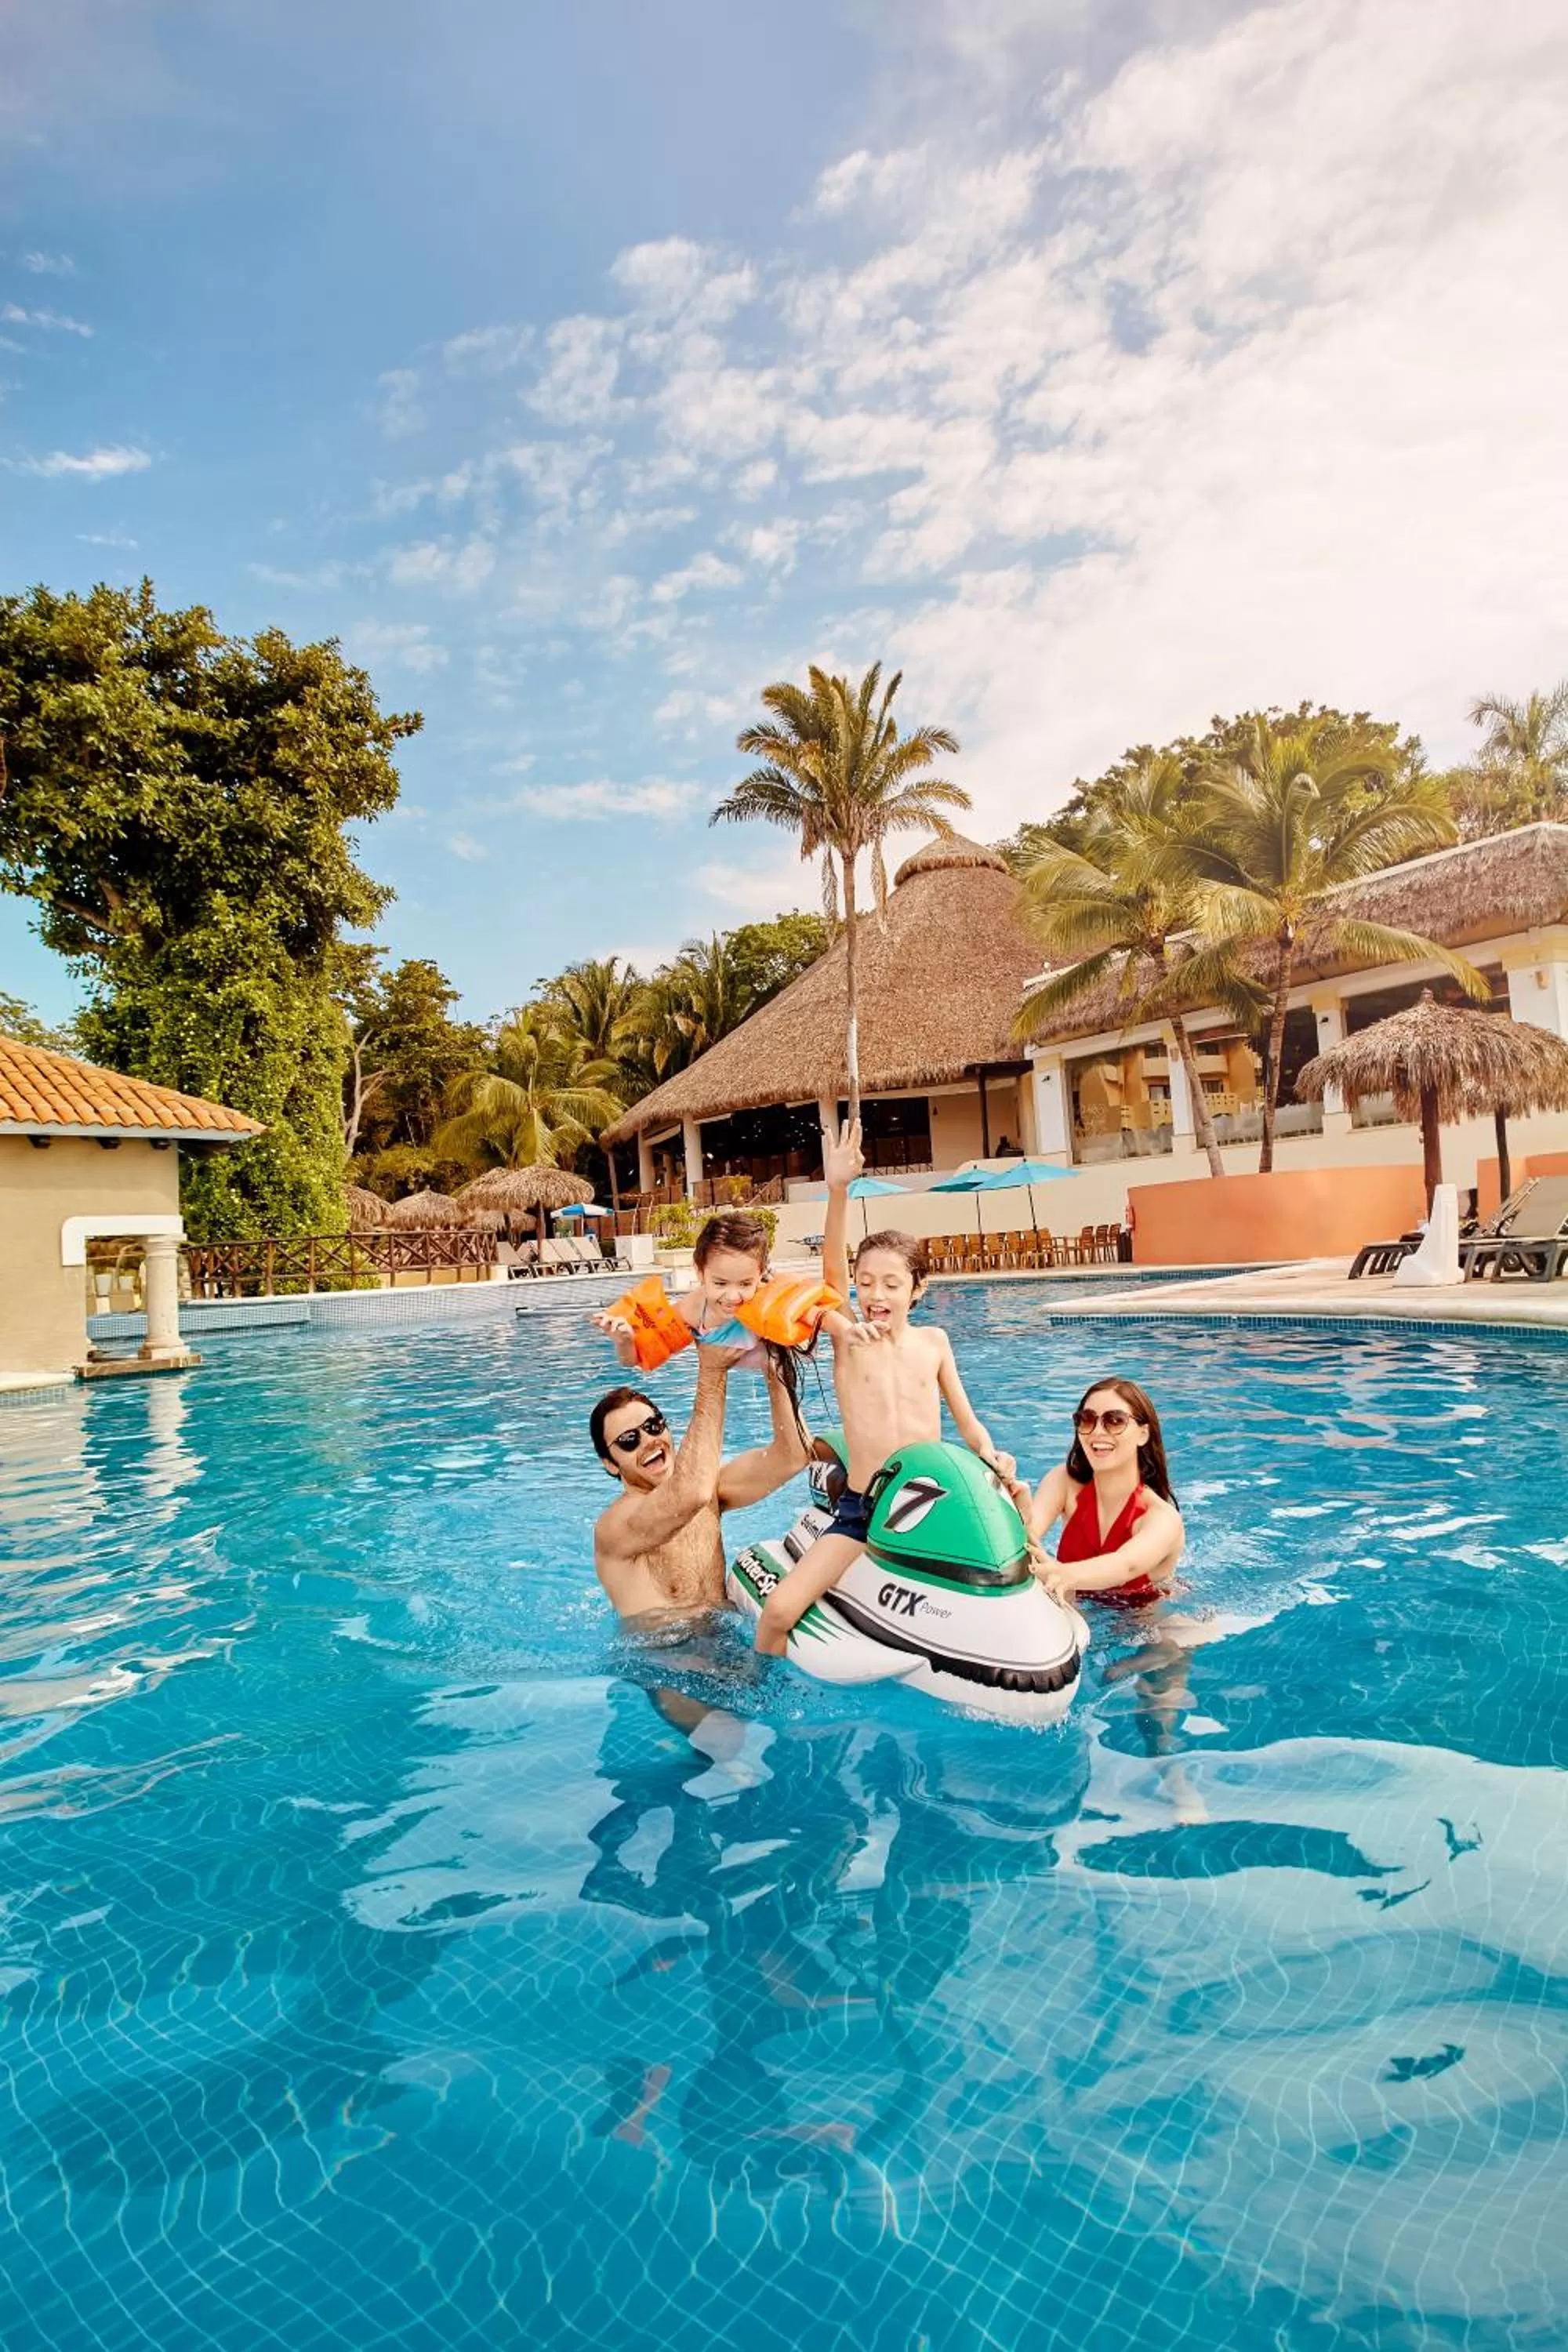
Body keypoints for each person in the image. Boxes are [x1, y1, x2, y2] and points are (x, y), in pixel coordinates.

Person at [752, 1120, 1016, 1657]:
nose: (876, 1294)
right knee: (779, 1612)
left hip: (932, 1500)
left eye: (892, 1284)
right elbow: (829, 1273)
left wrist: (993, 1461)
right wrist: (838, 1189)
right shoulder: (852, 1338)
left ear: (918, 1288)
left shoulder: (936, 1343)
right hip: (867, 1505)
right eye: (865, 1282)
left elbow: (968, 1425)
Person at [591, 1345, 811, 1623]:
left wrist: (776, 1364)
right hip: (659, 1661)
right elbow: (691, 1493)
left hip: (726, 1645)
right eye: (629, 1440)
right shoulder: (615, 1527)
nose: (648, 1441)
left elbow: (793, 1456)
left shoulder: (709, 1488)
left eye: (653, 1426)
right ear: (610, 1463)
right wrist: (712, 1369)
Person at [593, 1210, 861, 1374]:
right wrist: (625, 1341)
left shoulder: (766, 1296)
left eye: (745, 1284)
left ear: (760, 1273)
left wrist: (848, 1332)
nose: (733, 1297)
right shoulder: (692, 1310)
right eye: (720, 1284)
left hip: (770, 1354)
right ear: (699, 1273)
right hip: (725, 1361)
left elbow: (818, 1315)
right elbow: (637, 1361)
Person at [1028, 1376, 1183, 1603]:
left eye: (1115, 1420)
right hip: (1078, 1611)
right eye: (1087, 1419)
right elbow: (1026, 1536)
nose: (1097, 1432)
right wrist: (1017, 1499)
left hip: (1144, 1622)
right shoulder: (1063, 1482)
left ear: (1143, 1433)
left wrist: (1061, 1573)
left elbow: (1126, 1566)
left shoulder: (1162, 1518)